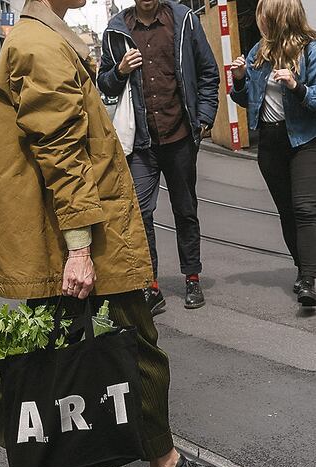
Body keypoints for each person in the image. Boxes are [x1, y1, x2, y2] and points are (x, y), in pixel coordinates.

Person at [0, 0, 236, 467]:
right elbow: (62, 151)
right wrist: (80, 249)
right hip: (78, 233)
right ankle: (165, 464)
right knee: (139, 343)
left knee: (46, 346)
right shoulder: (40, 46)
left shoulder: (40, 38)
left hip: (69, 228)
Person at [98, 0, 219, 314]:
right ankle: (150, 285)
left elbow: (208, 72)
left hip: (179, 137)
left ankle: (192, 277)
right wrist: (120, 70)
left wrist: (204, 117)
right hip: (141, 142)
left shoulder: (184, 20)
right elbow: (104, 83)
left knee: (185, 209)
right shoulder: (116, 29)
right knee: (140, 212)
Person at [231, 0, 316, 306]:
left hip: (305, 138)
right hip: (270, 140)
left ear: (280, 18)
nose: (260, 23)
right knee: (287, 211)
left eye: (264, 17)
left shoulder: (310, 49)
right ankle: (303, 267)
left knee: (306, 208)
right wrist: (239, 79)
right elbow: (244, 101)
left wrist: (297, 86)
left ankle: (309, 278)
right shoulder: (258, 53)